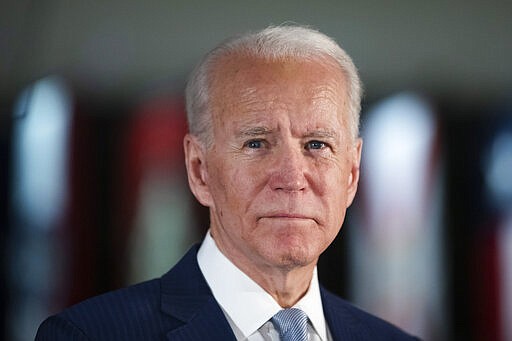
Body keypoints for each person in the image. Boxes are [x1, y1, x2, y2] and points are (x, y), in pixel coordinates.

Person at [36, 25, 418, 340]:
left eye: (317, 144)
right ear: (199, 170)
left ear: (351, 174)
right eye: (257, 143)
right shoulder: (88, 335)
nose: (291, 178)